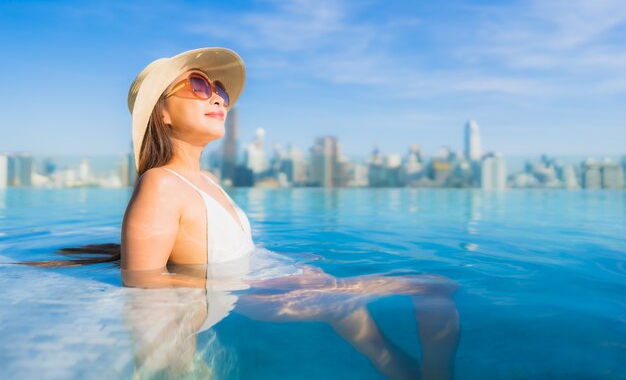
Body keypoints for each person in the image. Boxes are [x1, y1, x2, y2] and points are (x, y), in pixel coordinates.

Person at [22, 47, 461, 380]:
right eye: (198, 87)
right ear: (162, 113)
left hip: (271, 281)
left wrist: (286, 266)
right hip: (255, 294)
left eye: (221, 91)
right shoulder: (161, 183)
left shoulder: (206, 181)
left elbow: (218, 247)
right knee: (433, 288)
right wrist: (253, 285)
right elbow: (141, 281)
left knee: (378, 335)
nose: (217, 98)